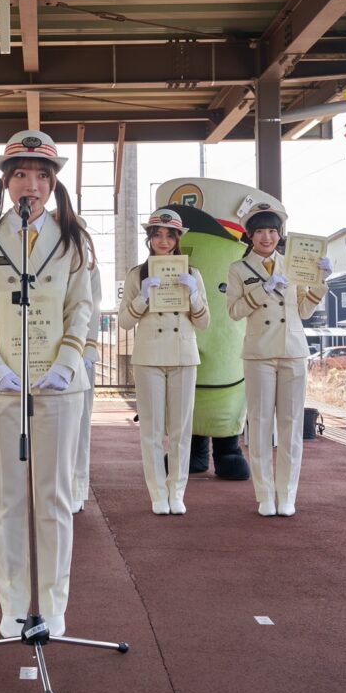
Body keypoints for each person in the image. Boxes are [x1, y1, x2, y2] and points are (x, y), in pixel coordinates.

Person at [0, 130, 92, 639]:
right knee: (8, 498)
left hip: (59, 384)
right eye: (20, 174)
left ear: (54, 183)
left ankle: (55, 604)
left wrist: (67, 361)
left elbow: (81, 307)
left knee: (54, 497)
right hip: (1, 385)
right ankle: (14, 603)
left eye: (42, 175)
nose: (31, 185)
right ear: (6, 182)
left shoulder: (73, 237)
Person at [226, 202, 331, 517]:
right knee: (259, 426)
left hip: (293, 351)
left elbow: (302, 311)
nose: (267, 237)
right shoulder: (238, 269)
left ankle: (287, 495)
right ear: (250, 235)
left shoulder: (295, 265)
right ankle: (264, 496)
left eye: (272, 230)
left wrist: (320, 282)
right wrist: (262, 290)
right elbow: (233, 312)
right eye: (260, 231)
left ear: (280, 234)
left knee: (291, 425)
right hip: (259, 353)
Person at [118, 208, 210, 515]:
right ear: (149, 239)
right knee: (153, 430)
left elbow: (204, 322)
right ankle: (158, 492)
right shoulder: (136, 274)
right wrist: (143, 297)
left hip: (183, 354)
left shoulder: (193, 273)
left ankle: (177, 491)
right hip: (149, 356)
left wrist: (194, 295)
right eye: (157, 234)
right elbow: (125, 322)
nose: (163, 240)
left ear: (178, 239)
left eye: (170, 234)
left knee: (181, 429)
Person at [71, 225, 101, 514]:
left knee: (80, 425)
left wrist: (89, 348)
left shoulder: (90, 268)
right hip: (44, 357)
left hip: (79, 355)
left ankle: (77, 486)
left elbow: (93, 310)